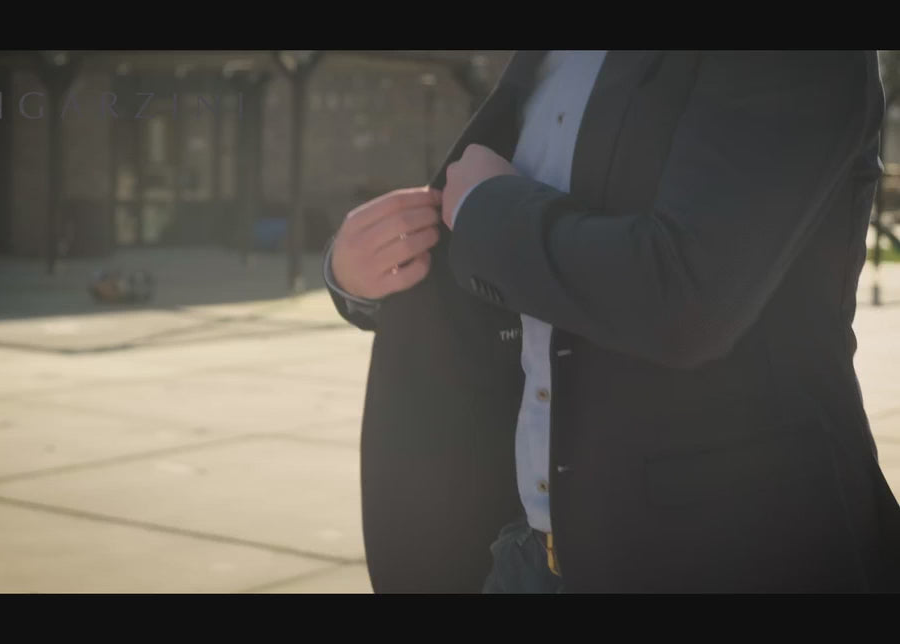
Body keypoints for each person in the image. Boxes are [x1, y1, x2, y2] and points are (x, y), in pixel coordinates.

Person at [324, 50, 900, 593]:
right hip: (520, 556)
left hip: (733, 553)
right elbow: (515, 267)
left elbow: (687, 297)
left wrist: (484, 210)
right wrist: (357, 277)